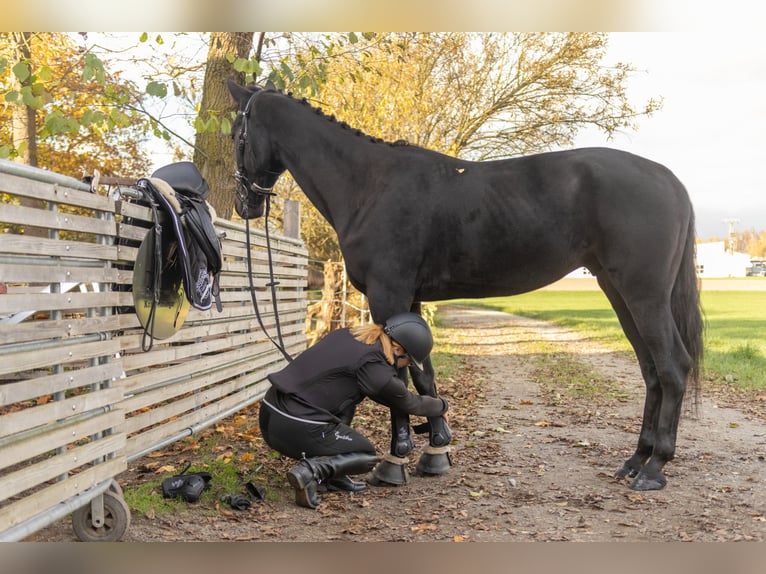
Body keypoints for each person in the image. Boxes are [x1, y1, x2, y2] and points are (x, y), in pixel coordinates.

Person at [258, 312, 449, 509]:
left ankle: (335, 477)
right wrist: (442, 405)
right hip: (295, 426)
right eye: (409, 362)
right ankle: (310, 471)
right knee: (365, 455)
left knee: (349, 400)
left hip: (270, 413)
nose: (407, 366)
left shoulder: (348, 334)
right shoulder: (374, 367)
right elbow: (409, 403)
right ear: (398, 348)